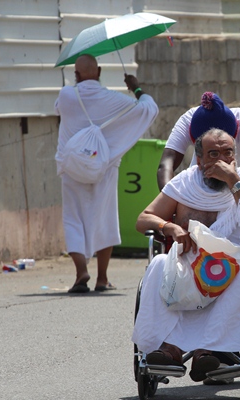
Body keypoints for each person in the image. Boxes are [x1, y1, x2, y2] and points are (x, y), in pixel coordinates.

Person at [132, 128, 240, 382]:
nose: (221, 160)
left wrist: (234, 182)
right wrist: (170, 226)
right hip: (186, 263)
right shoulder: (184, 184)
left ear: (236, 155)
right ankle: (169, 349)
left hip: (228, 266)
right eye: (213, 154)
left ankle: (208, 351)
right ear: (199, 160)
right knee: (157, 264)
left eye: (227, 153)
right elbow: (144, 219)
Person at [54, 54, 158, 294]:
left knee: (74, 218)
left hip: (72, 168)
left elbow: (59, 110)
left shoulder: (66, 95)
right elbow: (149, 109)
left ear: (76, 75)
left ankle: (81, 271)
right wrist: (136, 87)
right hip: (104, 167)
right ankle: (102, 278)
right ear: (99, 72)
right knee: (105, 218)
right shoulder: (114, 99)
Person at [157, 92, 240, 192]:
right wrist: (169, 200)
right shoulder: (189, 120)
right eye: (213, 153)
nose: (220, 162)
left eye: (227, 151)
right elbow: (166, 164)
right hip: (203, 184)